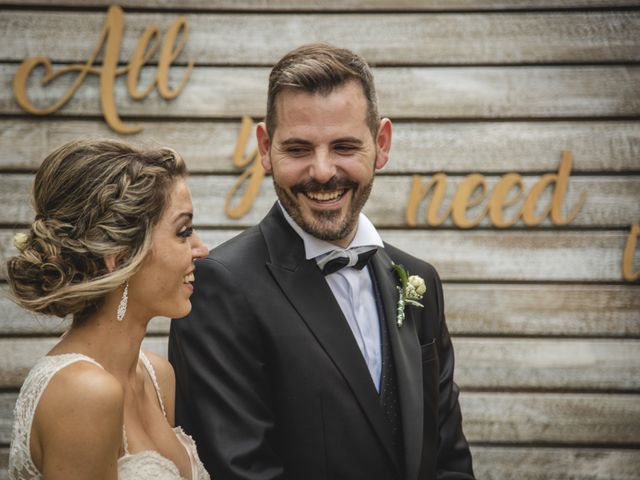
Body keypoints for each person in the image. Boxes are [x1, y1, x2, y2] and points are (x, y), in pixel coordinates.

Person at [169, 43, 475, 479]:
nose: (323, 171)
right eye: (298, 150)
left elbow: (449, 460)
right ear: (264, 147)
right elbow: (239, 470)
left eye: (345, 146)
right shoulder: (220, 287)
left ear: (381, 144)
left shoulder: (419, 280)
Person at [7, 139, 211, 480]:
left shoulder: (157, 377)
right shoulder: (82, 392)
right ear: (121, 258)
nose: (201, 249)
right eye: (183, 231)